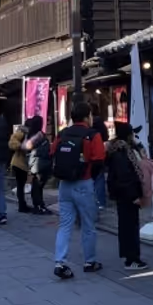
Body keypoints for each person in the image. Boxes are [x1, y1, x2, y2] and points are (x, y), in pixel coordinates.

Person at [52, 100, 105, 279]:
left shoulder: (62, 134)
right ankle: (90, 261)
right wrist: (90, 177)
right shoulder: (92, 135)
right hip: (84, 182)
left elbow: (52, 153)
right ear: (87, 117)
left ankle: (60, 262)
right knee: (88, 225)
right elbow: (98, 160)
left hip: (64, 185)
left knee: (65, 224)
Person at [106, 122, 148, 270]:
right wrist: (134, 195)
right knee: (129, 227)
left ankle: (131, 257)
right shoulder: (121, 152)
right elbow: (125, 177)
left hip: (124, 194)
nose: (134, 136)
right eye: (132, 133)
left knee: (128, 225)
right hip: (126, 195)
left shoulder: (124, 149)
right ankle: (132, 259)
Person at [25, 116, 52, 215]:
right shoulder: (38, 135)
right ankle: (39, 206)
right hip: (40, 163)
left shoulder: (31, 134)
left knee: (37, 185)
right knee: (38, 185)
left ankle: (38, 205)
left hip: (36, 163)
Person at [90, 104, 108, 210]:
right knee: (99, 177)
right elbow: (106, 136)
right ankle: (101, 201)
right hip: (100, 151)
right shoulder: (101, 123)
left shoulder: (89, 125)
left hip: (89, 152)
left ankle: (92, 200)